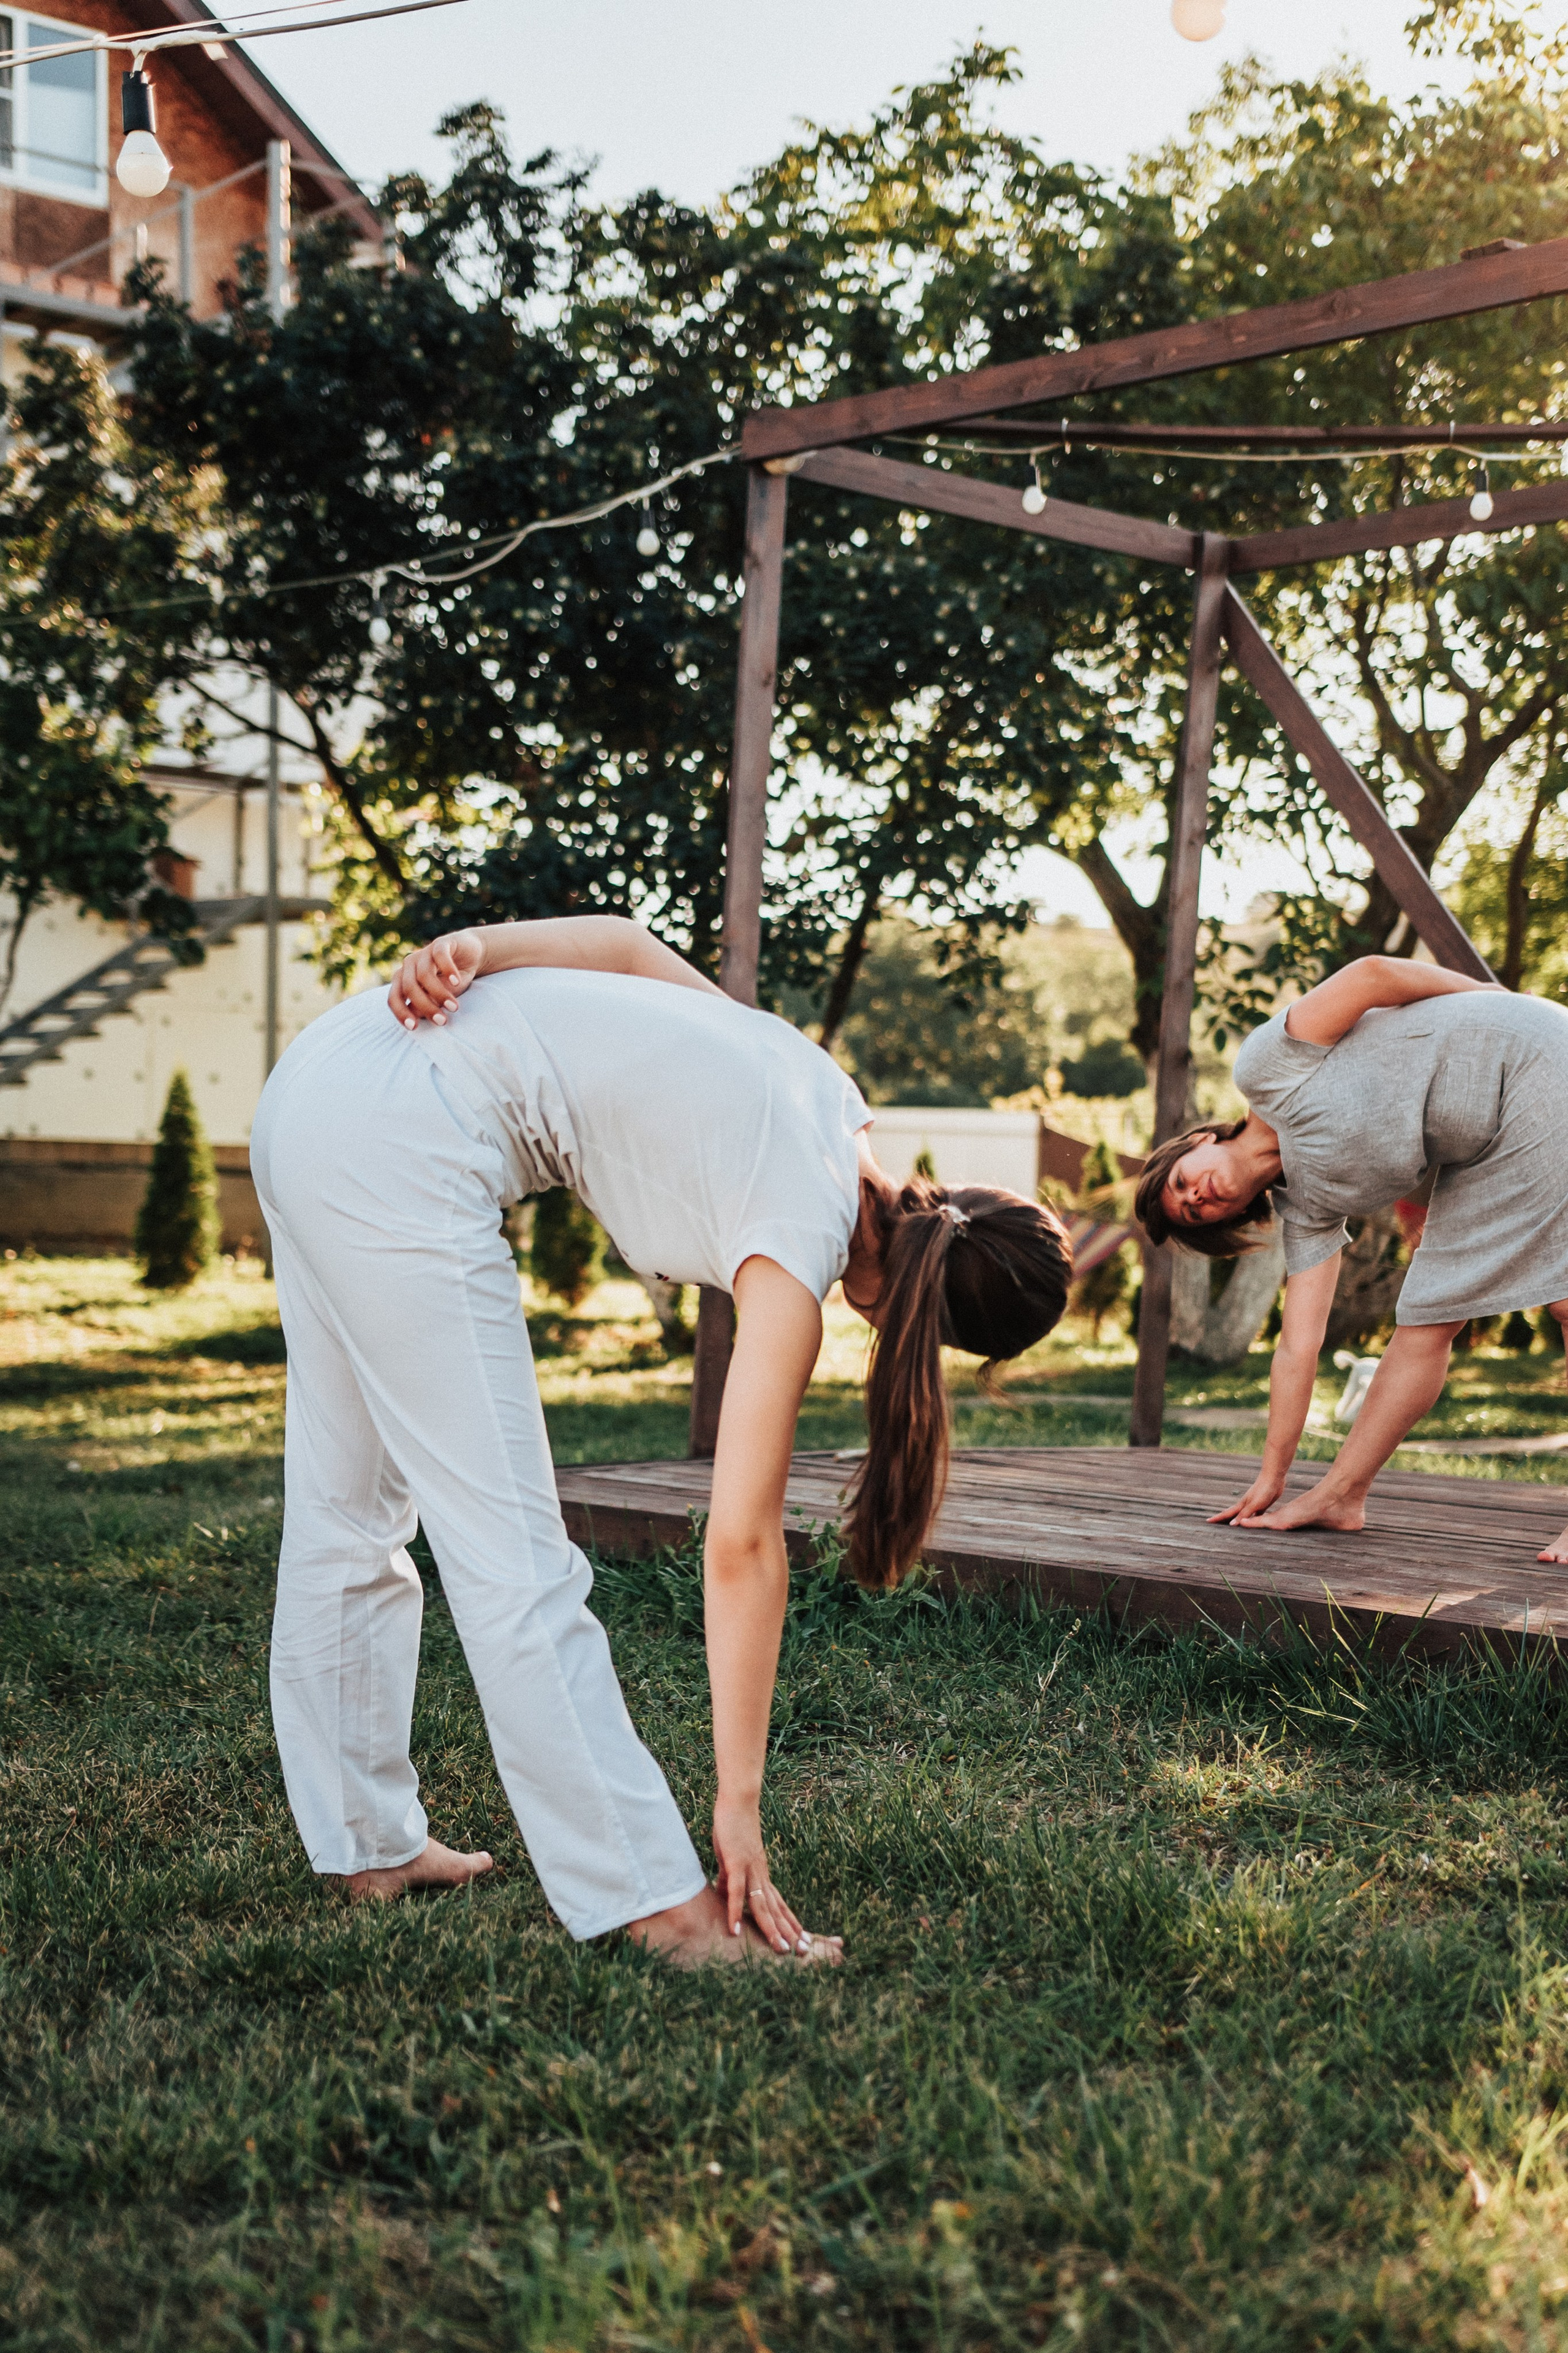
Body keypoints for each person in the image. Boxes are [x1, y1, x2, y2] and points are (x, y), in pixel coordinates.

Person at [250, 915, 1071, 1966]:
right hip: (399, 1141)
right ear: (939, 1335)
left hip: (327, 1074)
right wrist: (739, 1803)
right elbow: (741, 1544)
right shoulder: (797, 1238)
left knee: (347, 1507)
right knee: (513, 1555)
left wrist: (475, 948)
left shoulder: (826, 1098)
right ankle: (652, 1901)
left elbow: (635, 948)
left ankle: (368, 1844)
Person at [1134, 955, 1568, 1566]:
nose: (1194, 1196)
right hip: (1486, 1144)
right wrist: (1270, 1475)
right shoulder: (1308, 1208)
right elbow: (1296, 1349)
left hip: (1530, 1062)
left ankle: (1342, 1492)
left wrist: (1487, 997)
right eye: (1194, 1213)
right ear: (1226, 1221)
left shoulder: (1264, 1067)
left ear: (1199, 1143)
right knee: (1428, 1316)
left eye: (1182, 1183)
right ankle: (1342, 1495)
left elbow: (1371, 977)